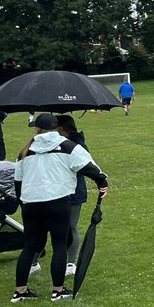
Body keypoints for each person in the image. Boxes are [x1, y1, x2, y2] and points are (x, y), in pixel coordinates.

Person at [12, 113, 109, 303]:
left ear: (37, 129)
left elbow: (18, 181)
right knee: (59, 245)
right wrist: (102, 181)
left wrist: (22, 201)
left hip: (31, 203)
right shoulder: (67, 146)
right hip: (57, 202)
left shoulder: (26, 150)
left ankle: (20, 290)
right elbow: (88, 166)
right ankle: (58, 289)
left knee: (30, 246)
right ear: (56, 128)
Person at [56, 115, 90, 277]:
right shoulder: (58, 143)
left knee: (71, 226)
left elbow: (83, 166)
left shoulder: (77, 145)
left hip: (74, 191)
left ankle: (71, 262)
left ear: (62, 129)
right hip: (57, 190)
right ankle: (35, 260)